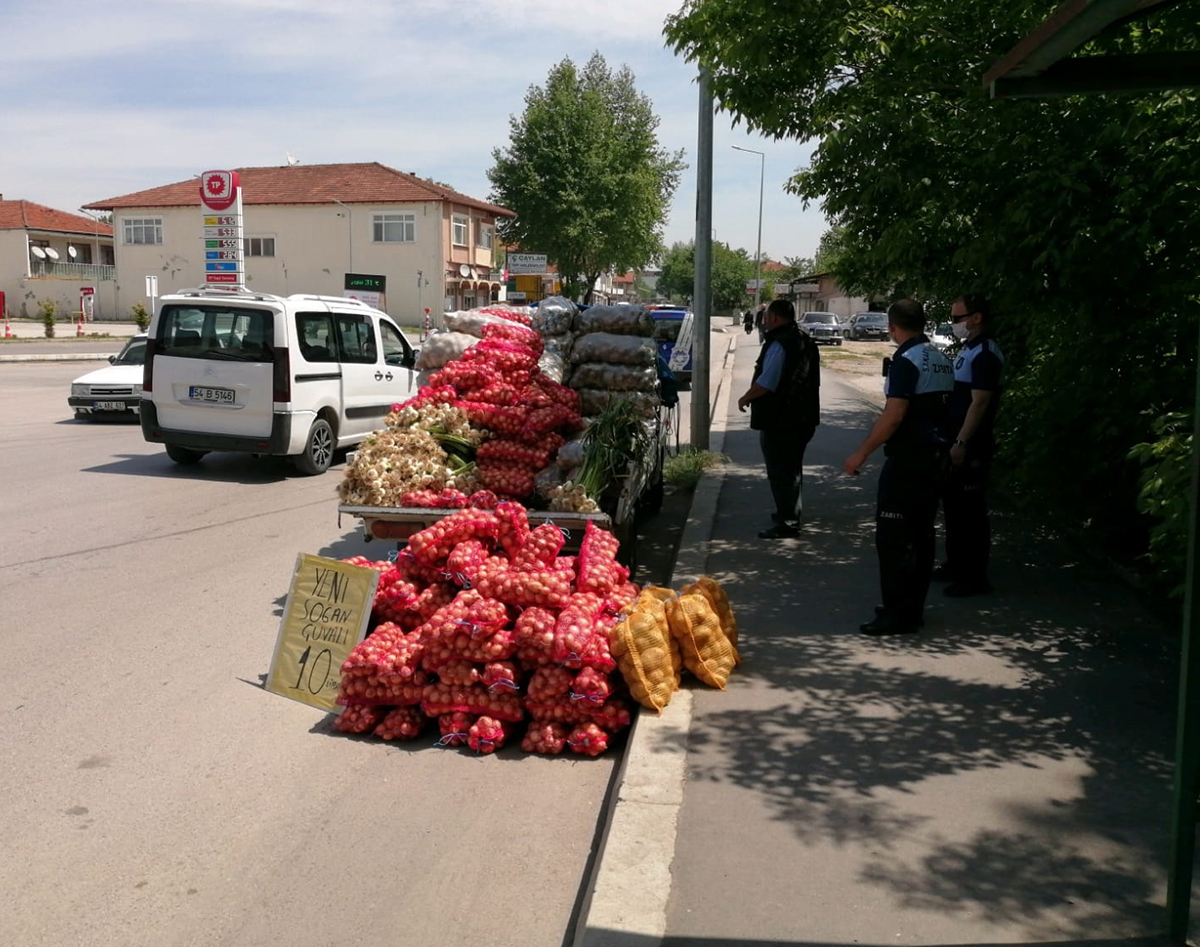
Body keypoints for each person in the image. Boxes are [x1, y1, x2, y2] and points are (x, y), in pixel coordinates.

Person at [843, 299, 953, 635]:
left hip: (909, 462)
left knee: (893, 538)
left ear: (892, 327)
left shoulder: (905, 361)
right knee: (921, 536)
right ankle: (911, 607)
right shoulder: (941, 358)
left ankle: (897, 613)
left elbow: (894, 416)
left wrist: (860, 454)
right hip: (936, 458)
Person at [934, 294, 1005, 597]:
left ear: (976, 318)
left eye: (958, 318)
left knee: (971, 512)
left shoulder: (986, 353)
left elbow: (980, 402)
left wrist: (962, 441)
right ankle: (955, 564)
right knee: (954, 508)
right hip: (954, 441)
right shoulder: (969, 349)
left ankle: (975, 577)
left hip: (971, 444)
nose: (954, 324)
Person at [737, 298, 821, 539]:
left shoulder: (780, 342)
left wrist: (745, 397)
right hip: (804, 416)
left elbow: (767, 382)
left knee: (781, 470)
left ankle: (788, 522)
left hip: (782, 419)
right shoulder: (803, 338)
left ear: (773, 317)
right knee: (792, 468)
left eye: (766, 316)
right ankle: (789, 512)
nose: (763, 320)